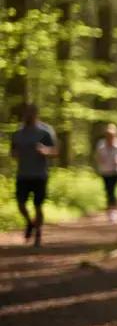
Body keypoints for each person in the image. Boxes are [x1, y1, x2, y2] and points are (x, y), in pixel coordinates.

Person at [10, 104, 57, 247]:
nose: (28, 116)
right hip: (23, 174)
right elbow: (12, 152)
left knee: (38, 205)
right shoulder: (18, 133)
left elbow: (55, 151)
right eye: (26, 113)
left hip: (39, 174)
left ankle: (38, 234)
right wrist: (15, 154)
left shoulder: (45, 131)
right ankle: (30, 223)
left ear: (36, 114)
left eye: (31, 113)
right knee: (20, 203)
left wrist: (45, 151)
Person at [94, 123, 117, 223]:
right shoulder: (101, 145)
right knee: (108, 190)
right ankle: (110, 209)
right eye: (108, 135)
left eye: (112, 136)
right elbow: (97, 157)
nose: (110, 138)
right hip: (105, 171)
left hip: (116, 171)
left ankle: (113, 210)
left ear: (115, 135)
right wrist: (100, 160)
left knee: (112, 190)